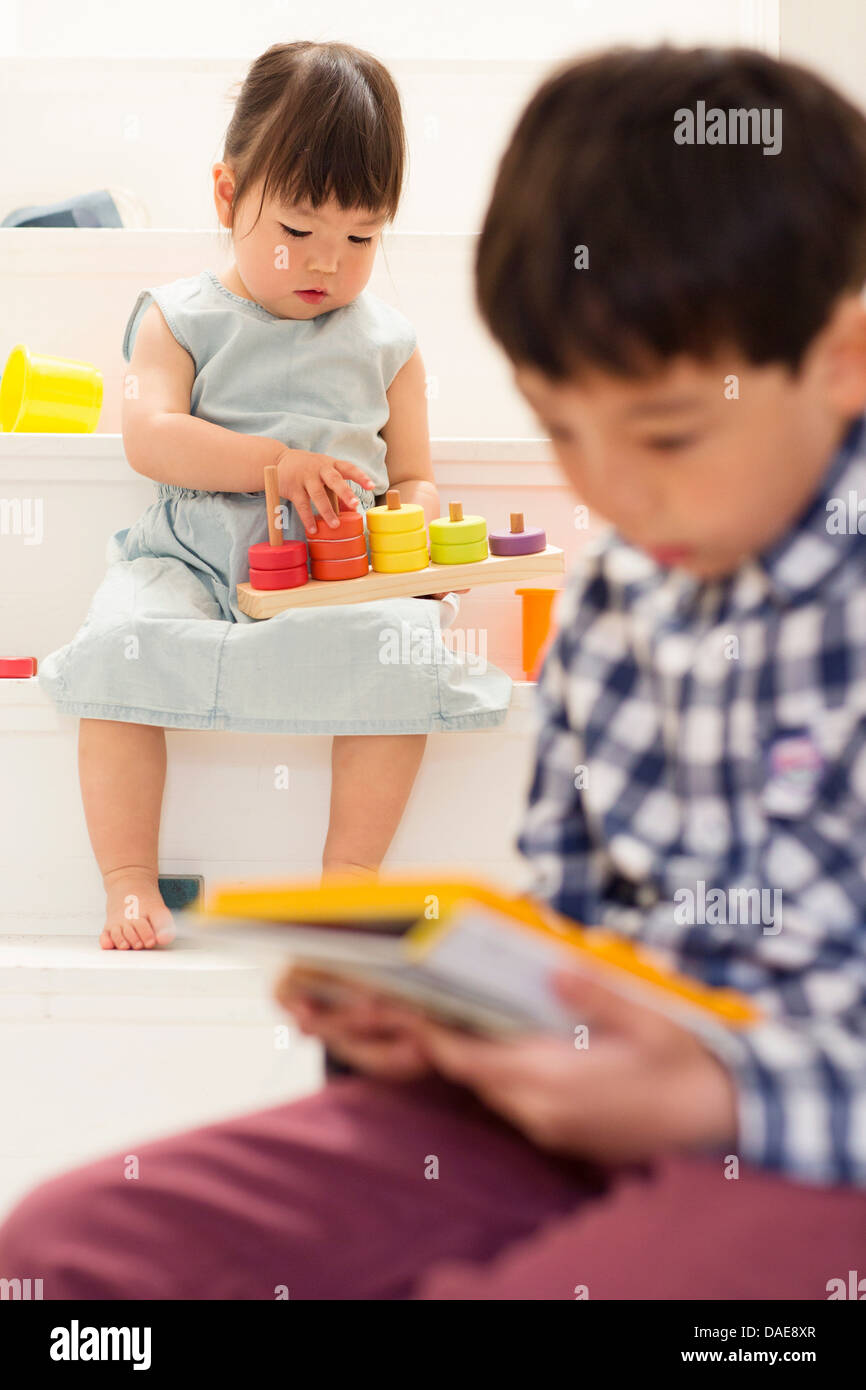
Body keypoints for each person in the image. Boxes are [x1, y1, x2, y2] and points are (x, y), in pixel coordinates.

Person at [4, 44, 866, 1299]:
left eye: (667, 433)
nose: (612, 494)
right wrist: (445, 1025)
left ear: (842, 359)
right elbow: (578, 927)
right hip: (569, 1107)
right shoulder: (625, 595)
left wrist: (717, 1089)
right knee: (67, 1257)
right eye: (560, 431)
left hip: (802, 1141)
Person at [36, 40, 510, 952]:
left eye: (362, 238)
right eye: (296, 230)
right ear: (227, 196)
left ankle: (349, 878)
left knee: (401, 647)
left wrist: (411, 523)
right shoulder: (179, 316)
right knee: (120, 647)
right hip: (195, 556)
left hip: (324, 571)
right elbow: (150, 435)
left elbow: (412, 470)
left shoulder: (390, 343)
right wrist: (274, 459)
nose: (325, 264)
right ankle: (129, 877)